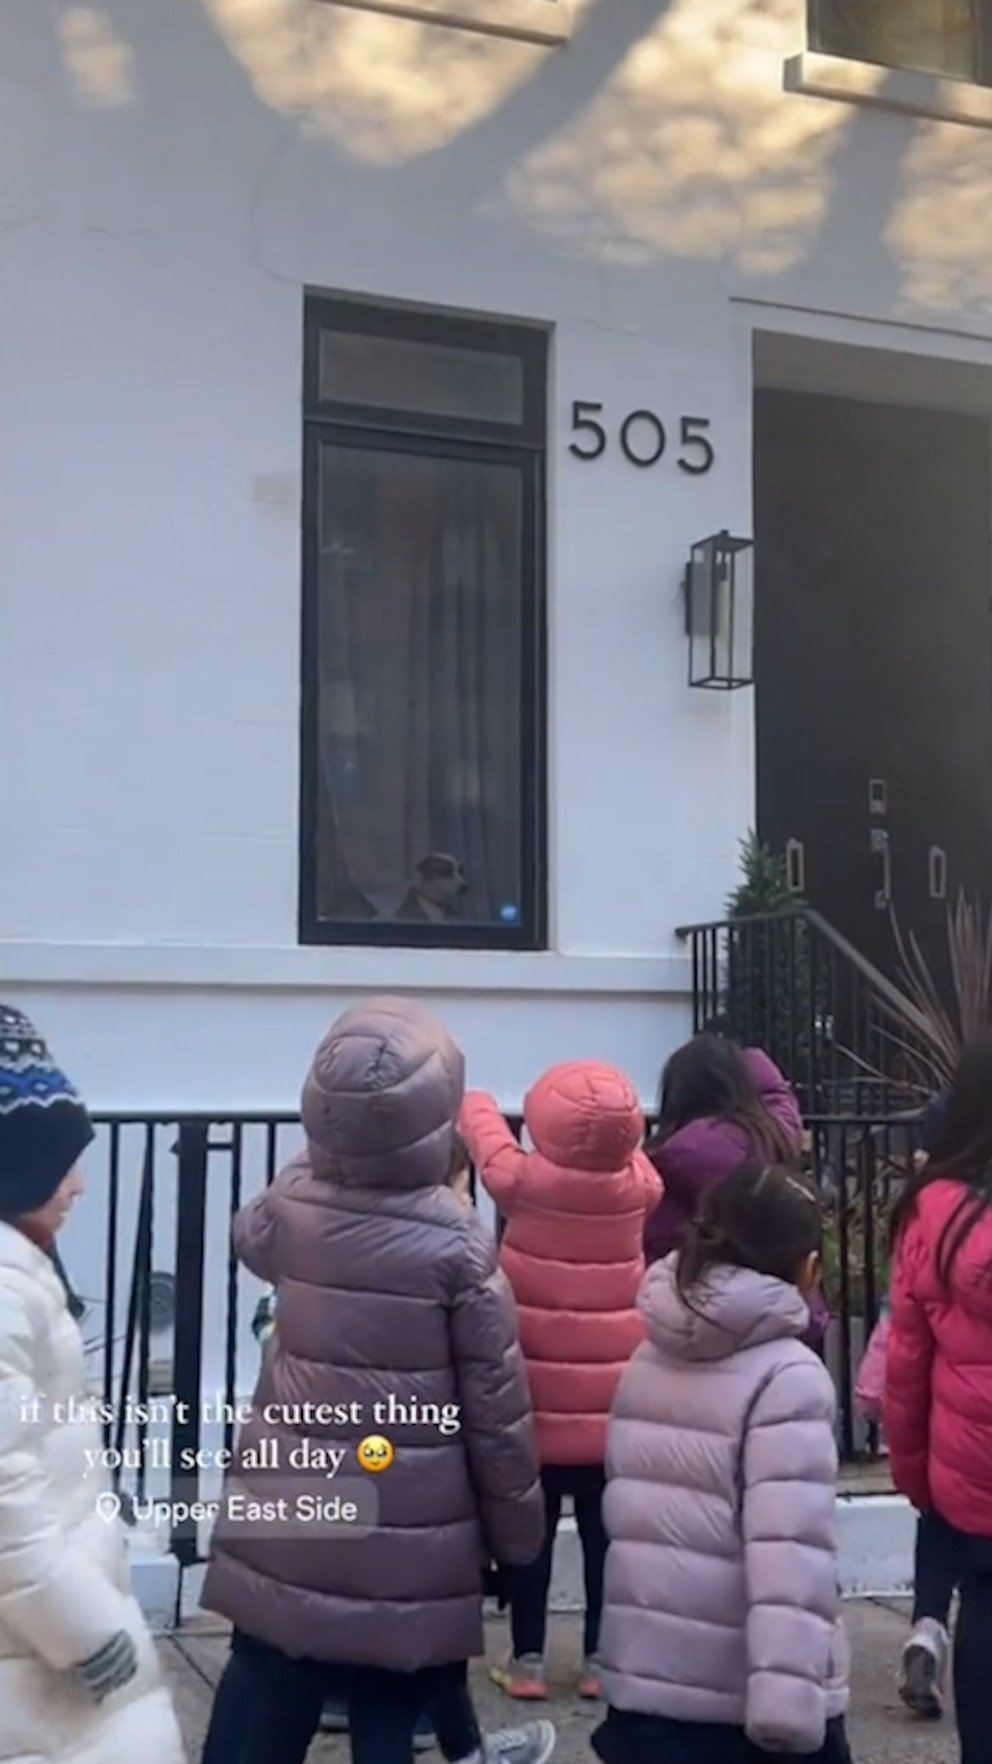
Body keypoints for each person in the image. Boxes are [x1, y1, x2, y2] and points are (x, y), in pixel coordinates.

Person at [200, 998, 554, 1764]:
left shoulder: (294, 1205)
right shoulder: (458, 1241)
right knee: (387, 1707)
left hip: (291, 1505)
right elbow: (496, 1410)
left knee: (267, 1679)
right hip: (408, 1524)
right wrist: (516, 1540)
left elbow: (248, 1238)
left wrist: (326, 1154)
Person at [596, 1162, 851, 1764]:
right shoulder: (789, 1377)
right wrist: (790, 1719)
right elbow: (789, 1553)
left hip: (646, 1696)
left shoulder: (649, 1355)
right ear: (808, 1269)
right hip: (742, 1710)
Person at [0, 1003, 186, 1764]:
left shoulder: (23, 1268)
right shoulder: (4, 1286)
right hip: (43, 1666)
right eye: (56, 1162)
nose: (77, 1185)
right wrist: (86, 1631)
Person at [460, 1064, 662, 1703]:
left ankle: (528, 1660)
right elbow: (637, 1157)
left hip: (536, 1403)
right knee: (607, 1541)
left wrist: (479, 1097)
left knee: (532, 1536)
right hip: (610, 1409)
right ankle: (601, 1659)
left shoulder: (522, 1183)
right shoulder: (639, 1187)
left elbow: (483, 1134)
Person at [885, 1032, 992, 1763]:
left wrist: (919, 1476)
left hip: (973, 1478)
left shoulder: (933, 1217)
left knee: (982, 1609)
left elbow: (906, 1363)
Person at [853, 1090, 956, 1720]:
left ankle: (926, 1623)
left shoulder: (918, 1214)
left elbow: (904, 1325)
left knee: (935, 1516)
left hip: (939, 1403)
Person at [643, 1034, 829, 1349]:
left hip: (697, 1321)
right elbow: (780, 1098)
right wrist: (748, 1056)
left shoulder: (667, 1159)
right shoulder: (772, 1134)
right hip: (785, 1314)